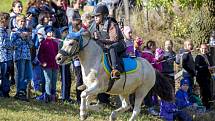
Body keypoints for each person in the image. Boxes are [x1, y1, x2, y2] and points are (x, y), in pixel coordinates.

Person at [93, 4, 126, 79]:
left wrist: (100, 40)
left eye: (98, 16)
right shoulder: (96, 26)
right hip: (106, 46)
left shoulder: (111, 24)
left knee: (111, 48)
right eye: (95, 16)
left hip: (119, 44)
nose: (95, 18)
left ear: (104, 16)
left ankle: (115, 70)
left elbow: (114, 39)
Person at [11, 15, 33, 101]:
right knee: (21, 75)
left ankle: (23, 90)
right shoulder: (14, 32)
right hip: (19, 57)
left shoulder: (26, 32)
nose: (22, 23)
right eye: (21, 21)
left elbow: (31, 45)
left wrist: (27, 38)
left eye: (24, 21)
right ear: (17, 22)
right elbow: (13, 45)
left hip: (27, 57)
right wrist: (21, 37)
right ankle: (19, 92)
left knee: (28, 75)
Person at [38, 25, 59, 102]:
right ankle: (47, 96)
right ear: (46, 33)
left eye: (52, 32)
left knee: (54, 81)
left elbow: (57, 54)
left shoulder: (55, 43)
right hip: (47, 66)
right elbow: (39, 55)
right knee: (48, 81)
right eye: (49, 32)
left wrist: (58, 63)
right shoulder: (44, 43)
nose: (51, 33)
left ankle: (53, 97)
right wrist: (42, 62)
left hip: (55, 65)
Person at [195, 43, 212, 109]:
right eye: (202, 48)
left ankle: (209, 105)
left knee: (208, 91)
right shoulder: (198, 56)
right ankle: (205, 106)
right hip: (201, 77)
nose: (204, 50)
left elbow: (209, 65)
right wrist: (207, 67)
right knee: (204, 92)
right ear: (200, 49)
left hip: (207, 76)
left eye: (205, 48)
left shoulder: (208, 56)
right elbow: (197, 67)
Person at [59, 26, 73, 103]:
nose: (67, 34)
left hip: (68, 63)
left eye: (68, 32)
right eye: (65, 32)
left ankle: (67, 96)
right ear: (62, 34)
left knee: (69, 80)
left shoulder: (68, 42)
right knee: (64, 80)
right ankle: (64, 97)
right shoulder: (61, 42)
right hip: (63, 64)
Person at [0, 12, 13, 98]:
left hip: (7, 57)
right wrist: (11, 46)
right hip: (2, 57)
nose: (9, 22)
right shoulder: (1, 32)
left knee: (6, 75)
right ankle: (2, 92)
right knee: (3, 75)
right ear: (3, 21)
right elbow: (2, 44)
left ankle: (5, 92)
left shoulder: (5, 31)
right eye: (8, 20)